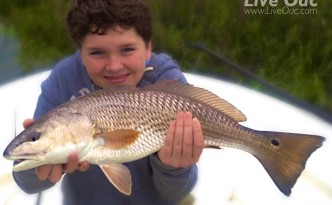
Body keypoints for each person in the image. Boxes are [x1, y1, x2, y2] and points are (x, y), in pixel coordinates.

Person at [13, 0, 204, 204]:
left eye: (127, 49)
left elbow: (177, 193)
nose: (114, 66)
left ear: (148, 48)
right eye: (97, 52)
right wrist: (38, 168)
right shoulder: (62, 81)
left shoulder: (166, 80)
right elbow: (26, 182)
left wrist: (173, 167)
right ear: (81, 54)